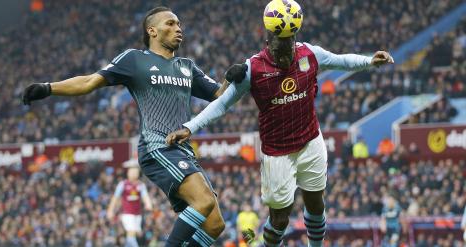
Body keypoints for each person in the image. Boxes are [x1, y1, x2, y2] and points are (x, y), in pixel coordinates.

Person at [166, 1, 394, 246]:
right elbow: (222, 104)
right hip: (277, 154)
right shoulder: (253, 69)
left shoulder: (309, 54)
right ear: (269, 41)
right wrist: (190, 127)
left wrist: (370, 61)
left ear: (294, 37)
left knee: (316, 204)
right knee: (280, 220)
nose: (286, 54)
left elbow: (342, 61)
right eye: (280, 48)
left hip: (311, 141)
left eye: (289, 45)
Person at [22, 6, 240, 246]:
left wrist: (233, 77)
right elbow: (89, 82)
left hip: (183, 150)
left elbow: (219, 95)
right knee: (203, 201)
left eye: (179, 24)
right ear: (152, 31)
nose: (178, 28)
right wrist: (48, 87)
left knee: (215, 224)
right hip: (157, 146)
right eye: (170, 24)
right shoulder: (135, 59)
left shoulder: (187, 66)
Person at [107, 165, 153, 247]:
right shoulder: (123, 184)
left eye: (135, 172)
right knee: (131, 232)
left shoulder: (141, 185)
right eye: (132, 172)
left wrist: (148, 204)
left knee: (136, 235)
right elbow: (115, 198)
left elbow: (145, 196)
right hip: (127, 214)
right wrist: (110, 210)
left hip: (138, 214)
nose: (134, 174)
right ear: (128, 173)